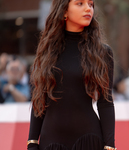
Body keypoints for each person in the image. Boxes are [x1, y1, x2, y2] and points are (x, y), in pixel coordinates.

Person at [27, 0, 116, 150]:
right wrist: (32, 142)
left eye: (91, 4)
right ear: (64, 11)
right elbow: (39, 99)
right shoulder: (47, 51)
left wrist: (110, 146)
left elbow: (105, 103)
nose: (88, 8)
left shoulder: (103, 53)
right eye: (80, 3)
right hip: (51, 142)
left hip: (89, 141)